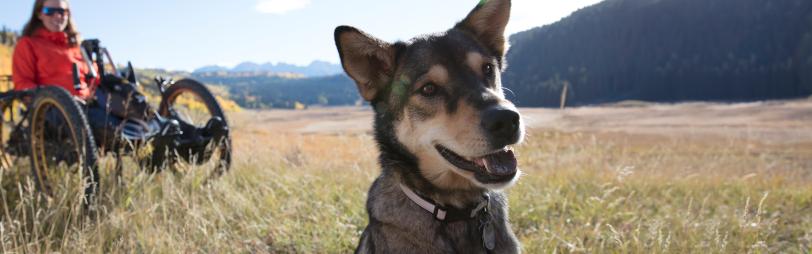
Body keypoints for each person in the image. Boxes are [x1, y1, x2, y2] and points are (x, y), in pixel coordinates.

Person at [13, 0, 97, 100]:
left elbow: (95, 79)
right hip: (52, 108)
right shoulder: (28, 44)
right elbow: (23, 84)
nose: (57, 16)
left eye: (62, 11)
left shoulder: (78, 47)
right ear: (39, 14)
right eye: (49, 11)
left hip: (88, 106)